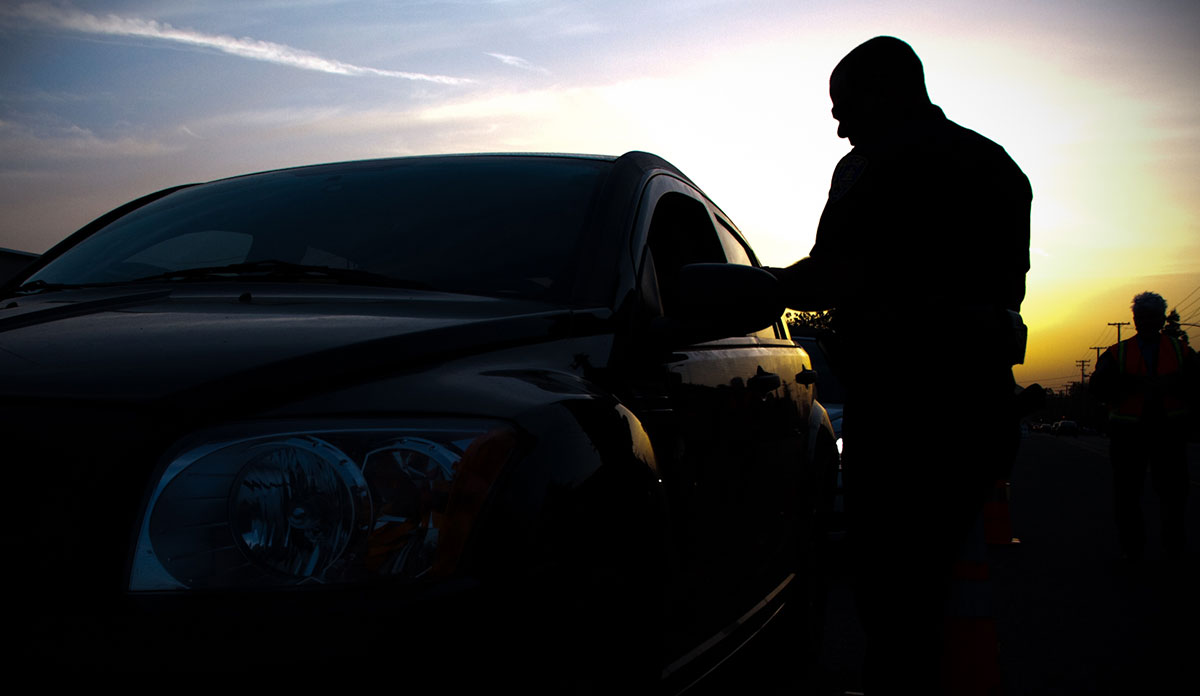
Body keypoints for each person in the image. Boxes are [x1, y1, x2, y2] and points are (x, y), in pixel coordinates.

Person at [768, 36, 1032, 693]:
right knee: (937, 583)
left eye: (844, 105)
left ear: (888, 91)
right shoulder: (995, 164)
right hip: (978, 410)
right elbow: (1006, 288)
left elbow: (831, 276)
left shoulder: (872, 165)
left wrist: (756, 288)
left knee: (894, 603)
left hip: (902, 414)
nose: (838, 125)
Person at [1090, 292, 1196, 561]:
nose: (1146, 322)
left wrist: (1174, 384)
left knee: (1174, 494)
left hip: (1168, 431)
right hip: (1129, 434)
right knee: (1127, 494)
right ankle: (1133, 549)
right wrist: (1131, 385)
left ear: (1161, 320)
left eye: (1152, 317)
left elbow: (1197, 384)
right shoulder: (1118, 353)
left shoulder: (1180, 351)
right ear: (1135, 320)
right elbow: (1098, 388)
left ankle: (1174, 548)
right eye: (1142, 317)